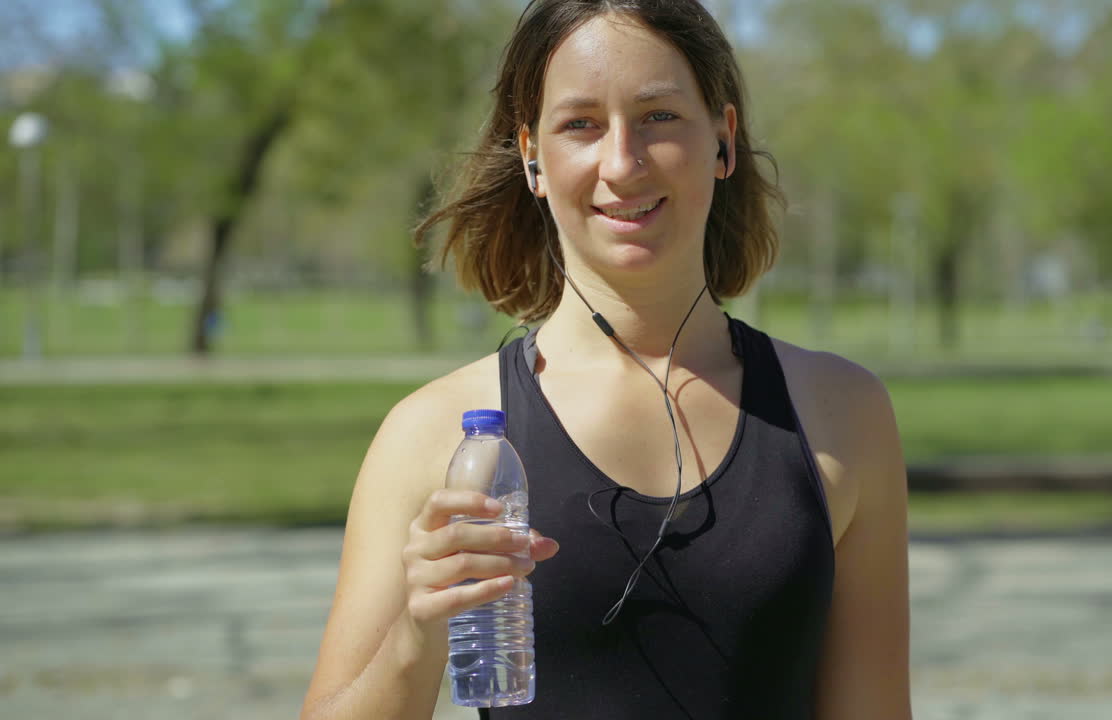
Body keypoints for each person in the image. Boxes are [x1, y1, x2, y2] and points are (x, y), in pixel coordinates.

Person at [300, 1, 911, 718]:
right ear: (532, 156)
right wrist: (418, 633)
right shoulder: (431, 437)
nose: (622, 163)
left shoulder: (842, 413)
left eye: (658, 117)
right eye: (581, 125)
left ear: (723, 138)